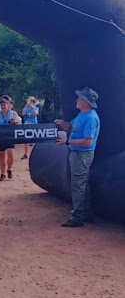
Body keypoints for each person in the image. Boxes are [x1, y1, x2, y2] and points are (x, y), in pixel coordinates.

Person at [56, 87, 100, 227]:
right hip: (78, 153)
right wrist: (64, 124)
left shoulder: (91, 118)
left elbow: (88, 141)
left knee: (78, 185)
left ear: (86, 102)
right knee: (82, 183)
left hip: (82, 154)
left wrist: (67, 142)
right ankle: (85, 213)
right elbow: (72, 127)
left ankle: (77, 217)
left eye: (79, 98)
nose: (77, 100)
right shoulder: (82, 114)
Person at [0, 95, 19, 180]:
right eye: (1, 105)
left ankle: (9, 169)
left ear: (8, 105)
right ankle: (2, 173)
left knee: (10, 154)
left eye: (4, 104)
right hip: (0, 137)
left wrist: (14, 122)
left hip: (10, 137)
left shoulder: (13, 113)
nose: (3, 106)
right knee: (2, 155)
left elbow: (20, 124)